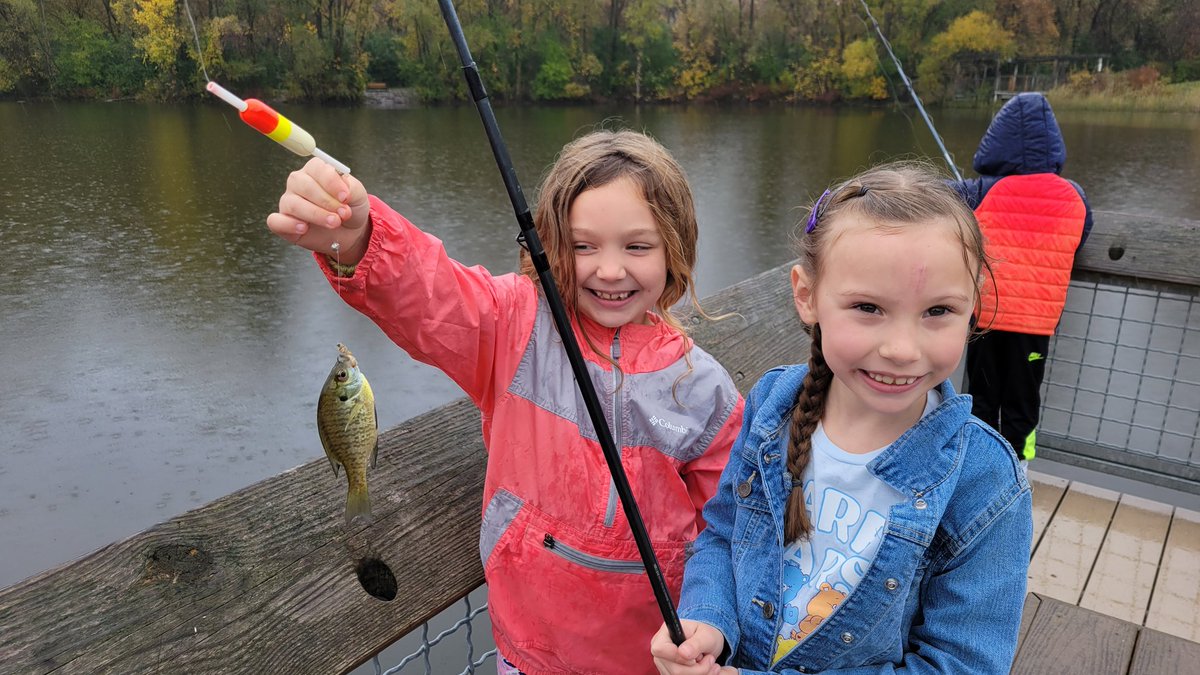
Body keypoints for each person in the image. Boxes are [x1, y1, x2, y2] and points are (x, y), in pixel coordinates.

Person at [268, 129, 745, 675]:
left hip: (656, 663)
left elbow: (732, 527)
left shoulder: (702, 388)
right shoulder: (514, 326)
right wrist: (357, 238)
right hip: (530, 657)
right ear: (548, 247)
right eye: (582, 245)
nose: (610, 270)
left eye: (637, 246)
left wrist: (715, 626)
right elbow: (431, 294)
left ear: (674, 250)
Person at [650, 163, 1033, 675]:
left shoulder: (984, 479)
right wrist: (707, 621)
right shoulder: (772, 405)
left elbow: (963, 664)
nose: (901, 349)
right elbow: (723, 533)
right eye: (868, 307)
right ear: (807, 296)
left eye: (939, 311)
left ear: (973, 307)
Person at [950, 92, 1093, 463]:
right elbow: (1081, 238)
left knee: (982, 395)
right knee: (1024, 396)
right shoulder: (1074, 195)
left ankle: (976, 464)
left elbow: (934, 199)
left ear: (998, 142)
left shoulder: (980, 190)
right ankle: (1018, 466)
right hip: (1035, 324)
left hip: (987, 316)